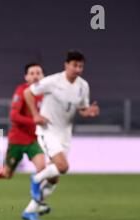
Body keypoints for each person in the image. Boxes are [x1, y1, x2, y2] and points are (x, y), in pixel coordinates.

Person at [24, 50, 100, 205]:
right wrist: (36, 115)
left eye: (80, 66)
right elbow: (28, 92)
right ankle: (36, 178)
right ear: (66, 65)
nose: (77, 69)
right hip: (48, 130)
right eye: (74, 65)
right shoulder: (53, 81)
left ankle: (32, 209)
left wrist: (88, 112)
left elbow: (82, 108)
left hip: (65, 134)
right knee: (63, 166)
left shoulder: (83, 86)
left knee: (54, 177)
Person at [0, 63, 50, 220]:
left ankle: (35, 206)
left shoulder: (45, 94)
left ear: (43, 76)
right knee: (7, 174)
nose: (35, 76)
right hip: (17, 140)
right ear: (26, 77)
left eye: (38, 73)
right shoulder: (21, 91)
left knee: (42, 170)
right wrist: (35, 120)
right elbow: (14, 116)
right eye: (31, 73)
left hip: (33, 140)